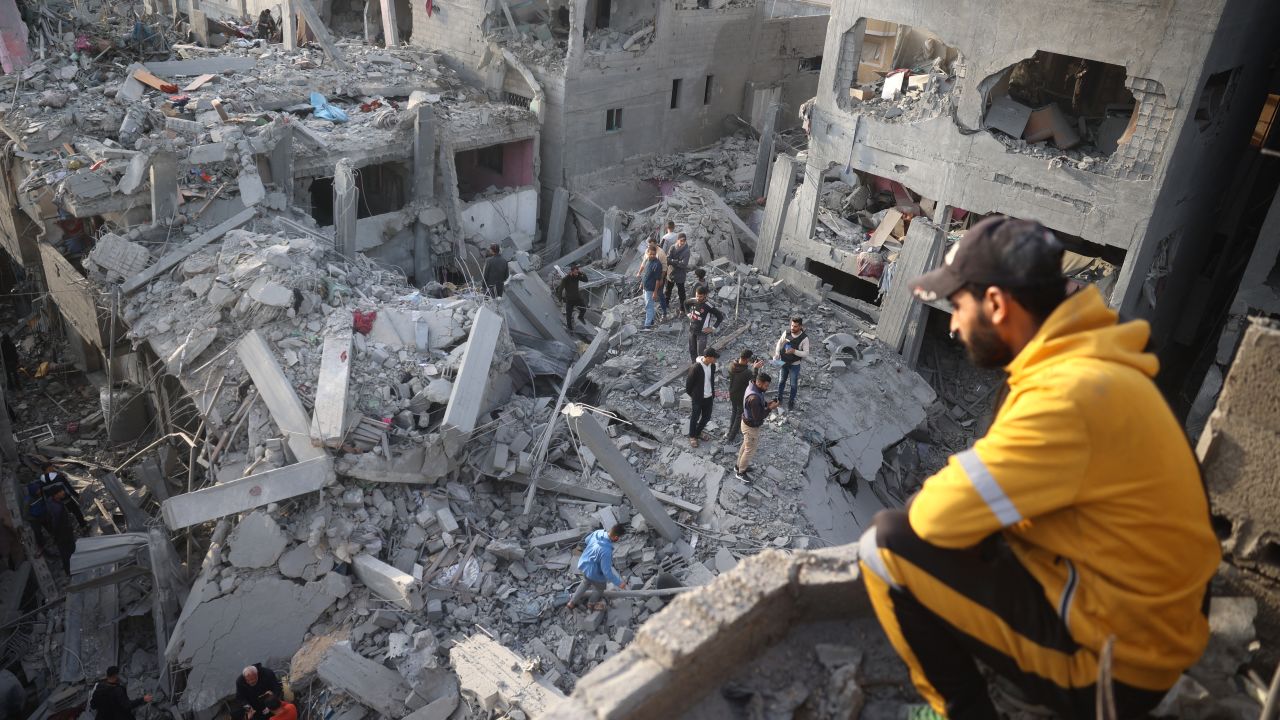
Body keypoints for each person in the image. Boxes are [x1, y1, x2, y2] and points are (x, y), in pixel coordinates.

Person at [858, 216, 1219, 720]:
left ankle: (964, 711)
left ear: (997, 305)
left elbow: (933, 520)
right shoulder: (1095, 366)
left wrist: (944, 503)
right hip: (1146, 626)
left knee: (884, 546)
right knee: (985, 528)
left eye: (958, 306)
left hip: (1114, 669)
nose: (955, 325)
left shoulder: (1065, 398)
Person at [567, 524, 627, 611]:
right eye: (619, 538)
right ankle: (591, 604)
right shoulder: (606, 551)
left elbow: (587, 540)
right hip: (594, 573)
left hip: (584, 565)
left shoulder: (598, 532)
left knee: (585, 582)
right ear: (616, 537)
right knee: (600, 588)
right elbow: (606, 572)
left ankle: (571, 602)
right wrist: (619, 583)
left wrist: (594, 552)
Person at [736, 372, 777, 481]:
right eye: (765, 385)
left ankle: (738, 466)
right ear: (758, 382)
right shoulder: (754, 398)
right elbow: (758, 417)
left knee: (745, 446)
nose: (767, 388)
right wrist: (770, 408)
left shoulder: (752, 387)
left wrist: (767, 404)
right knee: (750, 449)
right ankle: (741, 472)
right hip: (750, 427)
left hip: (745, 423)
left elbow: (758, 406)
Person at [724, 349, 763, 443]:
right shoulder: (747, 373)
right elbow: (753, 383)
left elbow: (740, 367)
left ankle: (730, 430)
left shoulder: (731, 365)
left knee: (734, 412)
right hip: (741, 397)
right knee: (739, 416)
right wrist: (756, 368)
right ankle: (731, 437)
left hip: (732, 393)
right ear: (746, 360)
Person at [684, 347, 719, 448]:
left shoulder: (712, 366)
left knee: (706, 417)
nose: (715, 360)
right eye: (713, 358)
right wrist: (695, 396)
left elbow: (711, 380)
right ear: (707, 357)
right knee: (695, 417)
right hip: (698, 398)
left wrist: (711, 393)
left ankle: (698, 432)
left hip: (709, 396)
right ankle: (692, 436)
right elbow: (688, 386)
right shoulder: (696, 367)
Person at [774, 317, 810, 411]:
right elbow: (779, 343)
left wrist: (794, 351)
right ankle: (779, 398)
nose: (793, 328)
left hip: (795, 364)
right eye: (792, 325)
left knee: (793, 385)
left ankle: (791, 401)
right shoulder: (787, 332)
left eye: (795, 326)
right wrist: (777, 353)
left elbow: (806, 353)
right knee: (781, 381)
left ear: (800, 326)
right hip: (783, 362)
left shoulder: (804, 338)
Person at [38, 464, 87, 529]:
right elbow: (68, 487)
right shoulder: (58, 477)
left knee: (62, 518)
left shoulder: (41, 481)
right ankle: (83, 526)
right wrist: (76, 495)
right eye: (52, 468)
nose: (53, 469)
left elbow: (43, 494)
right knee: (76, 511)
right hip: (66, 500)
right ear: (49, 469)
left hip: (54, 504)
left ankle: (68, 530)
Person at [684, 285, 724, 363]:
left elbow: (720, 317)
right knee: (692, 349)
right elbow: (685, 303)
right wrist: (688, 314)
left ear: (705, 295)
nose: (698, 298)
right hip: (692, 330)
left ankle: (701, 367)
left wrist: (712, 328)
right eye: (697, 296)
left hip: (702, 332)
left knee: (701, 353)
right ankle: (694, 364)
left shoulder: (708, 306)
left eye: (700, 296)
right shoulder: (693, 300)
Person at [45, 488, 77, 574]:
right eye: (60, 491)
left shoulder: (51, 502)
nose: (63, 492)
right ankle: (72, 569)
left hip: (60, 532)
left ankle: (69, 569)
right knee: (69, 550)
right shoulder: (56, 507)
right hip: (63, 532)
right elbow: (56, 522)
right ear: (55, 495)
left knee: (65, 551)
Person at [664, 233, 691, 316]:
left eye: (684, 241)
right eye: (681, 240)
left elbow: (684, 264)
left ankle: (682, 308)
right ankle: (666, 304)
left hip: (680, 274)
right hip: (671, 273)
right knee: (668, 290)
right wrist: (677, 261)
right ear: (677, 240)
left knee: (681, 292)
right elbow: (667, 259)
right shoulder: (673, 247)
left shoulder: (687, 251)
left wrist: (673, 261)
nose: (682, 242)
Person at [556, 263, 588, 332]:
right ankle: (570, 329)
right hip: (570, 300)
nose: (577, 274)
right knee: (568, 316)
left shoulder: (577, 276)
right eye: (575, 272)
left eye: (577, 272)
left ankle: (580, 317)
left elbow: (586, 280)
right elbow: (560, 289)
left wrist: (582, 273)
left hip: (577, 298)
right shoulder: (566, 279)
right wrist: (560, 299)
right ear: (572, 271)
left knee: (584, 309)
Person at [638, 246, 665, 328]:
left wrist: (655, 292)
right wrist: (642, 284)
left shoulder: (657, 264)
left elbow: (657, 280)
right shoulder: (647, 261)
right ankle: (651, 321)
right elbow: (645, 274)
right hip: (645, 287)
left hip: (651, 289)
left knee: (649, 307)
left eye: (654, 254)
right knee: (648, 305)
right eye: (651, 254)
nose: (652, 256)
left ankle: (647, 326)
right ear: (647, 253)